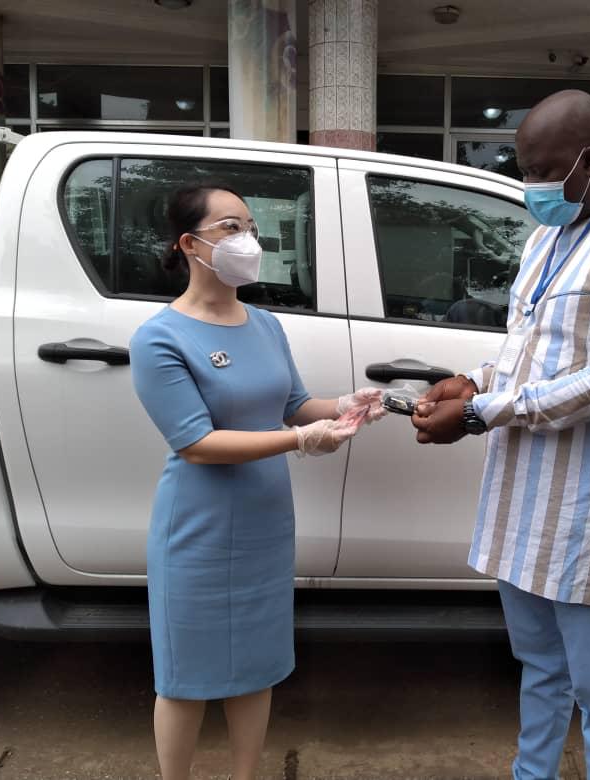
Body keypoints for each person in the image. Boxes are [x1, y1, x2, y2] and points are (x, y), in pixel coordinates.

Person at [411, 90, 590, 780]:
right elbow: (531, 347)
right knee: (540, 669)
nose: (532, 185)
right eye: (525, 168)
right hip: (523, 503)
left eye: (542, 169)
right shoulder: (547, 237)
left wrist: (483, 414)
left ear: (589, 158)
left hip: (587, 513)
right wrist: (474, 383)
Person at [129, 184, 384, 780]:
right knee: (186, 676)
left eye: (251, 227)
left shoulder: (265, 323)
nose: (248, 240)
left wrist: (343, 405)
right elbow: (194, 442)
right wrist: (299, 442)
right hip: (198, 527)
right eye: (230, 228)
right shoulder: (159, 337)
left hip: (267, 524)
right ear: (190, 244)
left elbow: (294, 403)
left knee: (257, 665)